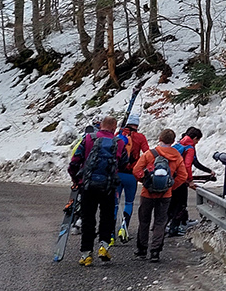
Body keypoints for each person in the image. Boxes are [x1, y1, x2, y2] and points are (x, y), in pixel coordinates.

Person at [68, 115, 126, 267]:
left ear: (101, 125)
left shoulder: (88, 138)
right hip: (108, 187)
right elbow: (124, 163)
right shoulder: (119, 142)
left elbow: (75, 161)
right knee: (107, 217)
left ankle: (86, 254)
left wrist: (76, 179)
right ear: (114, 127)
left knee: (88, 219)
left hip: (88, 186)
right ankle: (104, 247)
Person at [132, 128, 188, 262]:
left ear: (160, 139)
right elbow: (183, 175)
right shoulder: (177, 156)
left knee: (144, 221)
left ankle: (142, 250)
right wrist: (170, 187)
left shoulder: (150, 154)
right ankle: (155, 252)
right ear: (173, 141)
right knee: (160, 222)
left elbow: (136, 170)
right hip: (165, 195)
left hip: (147, 193)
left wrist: (145, 182)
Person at [167, 127, 214, 236]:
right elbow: (188, 165)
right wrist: (190, 181)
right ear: (195, 138)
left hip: (172, 177)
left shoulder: (179, 144)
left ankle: (164, 226)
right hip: (181, 179)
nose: (197, 143)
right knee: (181, 204)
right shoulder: (190, 148)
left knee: (172, 203)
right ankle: (174, 228)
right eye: (197, 140)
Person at [114, 114, 150, 241]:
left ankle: (111, 234)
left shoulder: (118, 135)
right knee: (129, 202)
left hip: (117, 174)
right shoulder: (140, 137)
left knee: (115, 204)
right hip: (131, 175)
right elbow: (147, 153)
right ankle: (124, 228)